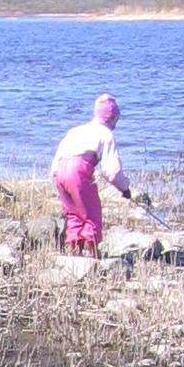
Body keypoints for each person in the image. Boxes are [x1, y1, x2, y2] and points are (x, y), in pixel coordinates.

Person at [51, 94, 132, 255]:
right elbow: (111, 171)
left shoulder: (75, 131)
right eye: (116, 119)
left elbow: (57, 158)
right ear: (111, 118)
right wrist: (124, 188)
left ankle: (74, 252)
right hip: (78, 172)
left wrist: (55, 178)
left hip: (59, 172)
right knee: (91, 212)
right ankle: (93, 253)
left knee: (73, 213)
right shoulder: (106, 134)